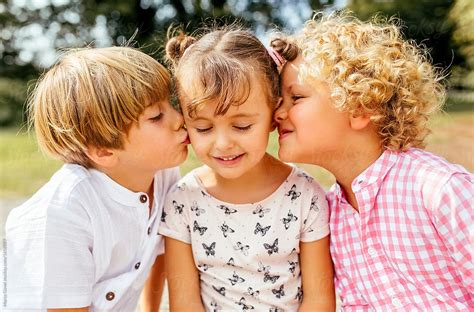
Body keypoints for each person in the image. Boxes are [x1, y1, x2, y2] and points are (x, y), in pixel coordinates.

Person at [272, 11, 474, 310]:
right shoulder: (330, 212)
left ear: (360, 108)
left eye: (296, 98)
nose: (278, 113)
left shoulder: (439, 190)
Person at [158, 28, 335, 311]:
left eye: (242, 126)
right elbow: (185, 303)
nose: (223, 143)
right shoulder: (183, 201)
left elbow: (319, 300)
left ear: (274, 114)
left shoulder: (305, 196)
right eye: (203, 128)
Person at [3, 46, 189, 311]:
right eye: (156, 116)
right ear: (103, 150)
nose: (179, 119)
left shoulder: (162, 172)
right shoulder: (64, 213)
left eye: (169, 106)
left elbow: (159, 249)